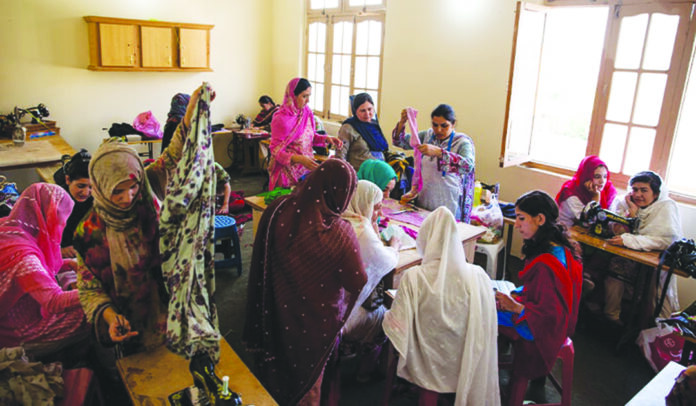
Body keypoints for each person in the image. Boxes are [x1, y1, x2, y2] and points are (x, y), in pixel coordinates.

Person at [73, 85, 206, 355]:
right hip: (133, 321)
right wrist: (109, 316)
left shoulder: (148, 189)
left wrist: (190, 115)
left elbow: (174, 155)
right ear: (100, 188)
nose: (128, 198)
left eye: (132, 186)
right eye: (117, 192)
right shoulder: (89, 234)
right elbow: (89, 289)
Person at [244, 159, 366, 405]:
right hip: (315, 322)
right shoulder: (340, 233)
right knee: (309, 382)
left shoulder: (279, 208)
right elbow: (357, 281)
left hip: (276, 307)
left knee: (278, 365)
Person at [383, 206, 499, 405]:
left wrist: (386, 316)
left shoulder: (414, 277)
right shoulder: (478, 275)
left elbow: (397, 326)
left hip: (425, 362)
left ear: (425, 239)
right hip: (465, 358)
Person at [494, 190, 582, 404]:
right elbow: (545, 295)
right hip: (553, 319)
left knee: (482, 309)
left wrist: (514, 307)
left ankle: (481, 370)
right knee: (504, 292)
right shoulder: (561, 247)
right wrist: (518, 295)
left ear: (540, 219)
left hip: (541, 327)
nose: (517, 225)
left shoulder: (547, 265)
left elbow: (548, 315)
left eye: (521, 218)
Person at [0, 183, 88, 358]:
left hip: (5, 320)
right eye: (61, 219)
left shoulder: (9, 229)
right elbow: (54, 302)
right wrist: (97, 292)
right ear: (48, 217)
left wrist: (67, 263)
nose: (63, 224)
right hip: (16, 333)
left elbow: (32, 270)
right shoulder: (25, 258)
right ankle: (100, 366)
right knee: (92, 314)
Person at [341, 180, 400, 382]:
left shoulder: (339, 218)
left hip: (323, 304)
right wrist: (394, 246)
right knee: (384, 316)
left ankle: (345, 352)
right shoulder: (362, 231)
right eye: (376, 207)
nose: (379, 213)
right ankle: (365, 373)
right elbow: (387, 261)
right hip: (342, 313)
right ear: (364, 204)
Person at [604, 171, 682, 321]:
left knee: (654, 285)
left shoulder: (665, 207)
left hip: (654, 262)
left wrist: (630, 241)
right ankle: (611, 317)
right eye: (634, 189)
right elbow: (615, 231)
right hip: (629, 258)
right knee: (614, 271)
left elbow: (665, 241)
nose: (638, 194)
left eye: (644, 190)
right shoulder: (625, 202)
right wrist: (632, 214)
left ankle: (650, 326)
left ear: (656, 193)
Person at [392, 104, 476, 222]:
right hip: (426, 196)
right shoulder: (428, 136)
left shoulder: (462, 142)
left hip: (449, 199)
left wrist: (440, 153)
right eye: (435, 125)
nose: (439, 130)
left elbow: (467, 166)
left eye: (444, 126)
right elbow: (400, 142)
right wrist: (402, 122)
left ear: (453, 124)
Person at [268, 78, 343, 191]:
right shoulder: (281, 119)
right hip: (287, 173)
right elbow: (275, 151)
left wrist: (326, 139)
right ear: (293, 96)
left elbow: (309, 137)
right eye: (304, 96)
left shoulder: (306, 113)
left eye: (309, 96)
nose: (308, 100)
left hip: (306, 170)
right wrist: (299, 159)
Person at [555, 155, 617, 227]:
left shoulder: (608, 190)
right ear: (586, 176)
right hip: (565, 228)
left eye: (605, 176)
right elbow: (588, 221)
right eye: (597, 177)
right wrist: (596, 197)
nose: (602, 181)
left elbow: (609, 218)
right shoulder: (572, 193)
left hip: (580, 228)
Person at [53, 149, 93, 258]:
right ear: (67, 180)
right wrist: (59, 250)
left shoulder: (96, 200)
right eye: (80, 186)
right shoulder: (55, 200)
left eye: (91, 187)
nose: (86, 192)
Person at [336, 93, 389, 172]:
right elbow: (340, 155)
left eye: (369, 109)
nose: (367, 114)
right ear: (355, 111)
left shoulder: (373, 125)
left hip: (379, 172)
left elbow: (383, 149)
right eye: (362, 110)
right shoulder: (348, 128)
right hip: (360, 174)